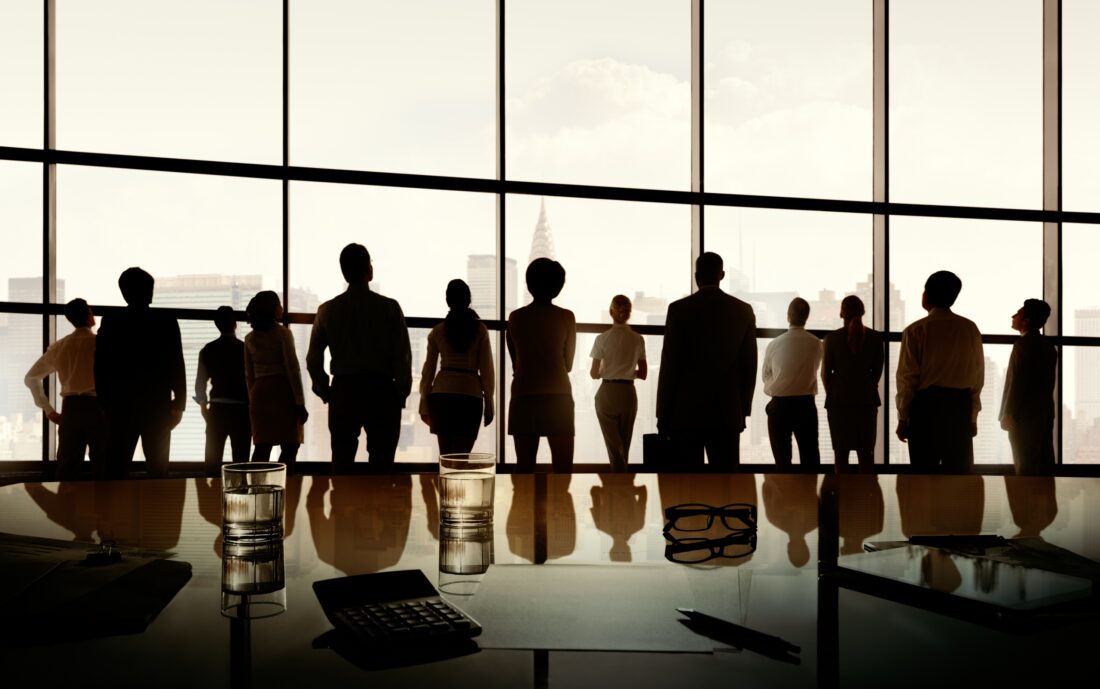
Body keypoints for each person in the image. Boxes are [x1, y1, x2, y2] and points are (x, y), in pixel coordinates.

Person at [307, 243, 412, 471]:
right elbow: (402, 357)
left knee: (342, 464)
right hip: (382, 392)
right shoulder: (390, 308)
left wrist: (327, 392)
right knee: (381, 466)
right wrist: (399, 393)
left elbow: (313, 360)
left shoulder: (327, 311)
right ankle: (377, 507)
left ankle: (343, 506)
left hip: (344, 391)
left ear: (344, 272)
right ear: (369, 270)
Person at [656, 252, 757, 468]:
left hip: (685, 412)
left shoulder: (678, 309)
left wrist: (663, 415)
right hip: (727, 411)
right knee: (726, 486)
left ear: (696, 276)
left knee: (687, 488)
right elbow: (749, 366)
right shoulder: (743, 311)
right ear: (721, 275)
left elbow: (669, 367)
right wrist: (743, 410)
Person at [94, 267, 185, 477]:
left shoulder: (111, 320)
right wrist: (178, 403)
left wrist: (104, 402)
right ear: (148, 291)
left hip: (121, 405)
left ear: (124, 292)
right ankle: (158, 509)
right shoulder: (167, 321)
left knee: (116, 466)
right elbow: (176, 364)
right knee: (158, 468)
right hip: (158, 404)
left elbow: (101, 365)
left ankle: (114, 509)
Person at [896, 270, 984, 472]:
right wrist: (972, 417)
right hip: (959, 407)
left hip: (925, 408)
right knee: (958, 477)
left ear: (926, 295)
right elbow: (977, 377)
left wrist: (903, 417)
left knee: (924, 475)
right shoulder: (970, 329)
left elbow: (907, 379)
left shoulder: (915, 330)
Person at [506, 258, 576, 472]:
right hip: (558, 394)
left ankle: (526, 506)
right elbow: (569, 364)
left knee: (524, 468)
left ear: (529, 283)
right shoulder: (566, 317)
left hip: (524, 394)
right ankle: (560, 506)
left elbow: (515, 362)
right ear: (557, 286)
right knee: (562, 470)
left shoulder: (515, 318)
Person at [24, 298, 107, 480]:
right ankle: (104, 506)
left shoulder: (60, 347)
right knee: (103, 465)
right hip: (99, 408)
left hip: (70, 409)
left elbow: (31, 378)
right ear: (89, 316)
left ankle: (66, 507)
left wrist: (48, 409)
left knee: (68, 467)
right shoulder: (102, 344)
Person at [419, 279, 495, 455]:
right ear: (469, 300)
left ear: (447, 301)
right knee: (461, 459)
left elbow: (428, 372)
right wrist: (489, 404)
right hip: (471, 395)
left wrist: (424, 404)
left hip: (442, 395)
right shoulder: (480, 330)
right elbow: (487, 371)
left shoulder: (437, 331)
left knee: (445, 457)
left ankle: (444, 484)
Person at [821, 295, 884, 473]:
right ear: (863, 311)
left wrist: (833, 392)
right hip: (866, 401)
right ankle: (866, 497)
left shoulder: (831, 339)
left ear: (842, 313)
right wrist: (867, 387)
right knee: (866, 454)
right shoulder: (875, 338)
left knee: (840, 455)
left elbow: (825, 373)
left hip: (839, 402)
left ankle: (843, 498)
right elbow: (877, 372)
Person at [245, 291, 307, 462]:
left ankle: (256, 485)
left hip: (259, 393)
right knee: (290, 444)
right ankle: (284, 482)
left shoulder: (249, 338)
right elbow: (292, 369)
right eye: (279, 304)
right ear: (272, 309)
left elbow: (249, 376)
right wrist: (300, 403)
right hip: (282, 392)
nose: (282, 307)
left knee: (262, 446)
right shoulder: (283, 334)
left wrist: (253, 400)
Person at [589, 294, 647, 471]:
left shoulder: (601, 339)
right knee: (625, 442)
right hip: (628, 393)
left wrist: (608, 371)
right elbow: (643, 373)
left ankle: (619, 482)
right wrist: (627, 372)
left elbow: (593, 374)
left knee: (613, 444)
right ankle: (623, 483)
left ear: (611, 312)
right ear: (629, 314)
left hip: (607, 392)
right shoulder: (638, 339)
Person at [999, 299, 1057, 475]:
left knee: (1025, 465)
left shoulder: (1022, 345)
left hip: (1023, 417)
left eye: (1018, 313)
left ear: (1026, 321)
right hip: (1044, 414)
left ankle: (1027, 501)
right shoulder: (1049, 347)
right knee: (1043, 464)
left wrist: (1007, 412)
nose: (1013, 316)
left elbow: (1017, 382)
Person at [762, 298, 822, 467]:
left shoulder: (774, 343)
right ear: (807, 317)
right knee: (810, 459)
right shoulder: (816, 343)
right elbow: (815, 367)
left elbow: (765, 375)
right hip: (806, 405)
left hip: (780, 406)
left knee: (782, 461)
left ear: (788, 316)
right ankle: (809, 492)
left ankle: (784, 493)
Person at [195, 305, 251, 475]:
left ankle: (210, 497)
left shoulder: (208, 350)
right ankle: (241, 497)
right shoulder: (245, 349)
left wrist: (204, 408)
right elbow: (252, 380)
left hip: (217, 409)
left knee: (212, 460)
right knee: (241, 463)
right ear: (235, 324)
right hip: (241, 410)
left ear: (216, 324)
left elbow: (200, 383)